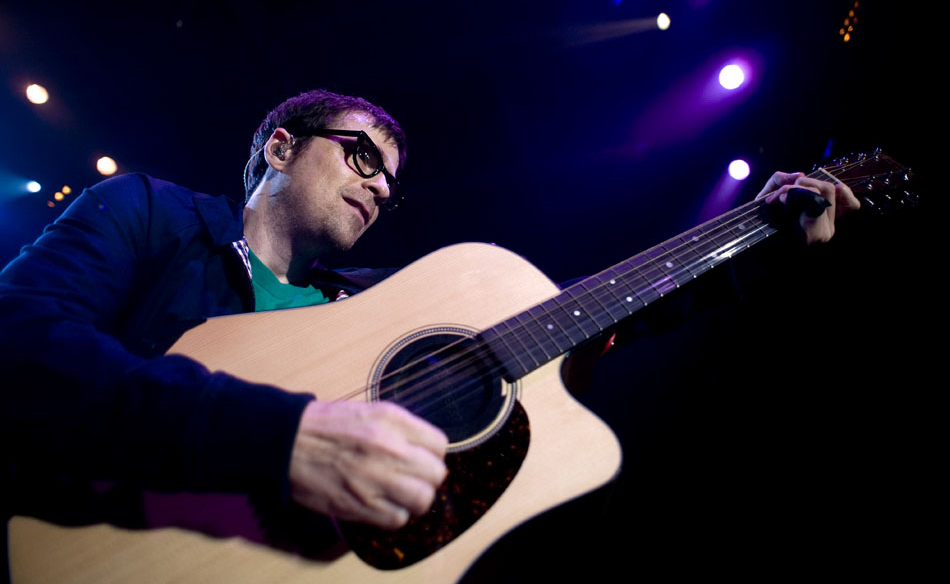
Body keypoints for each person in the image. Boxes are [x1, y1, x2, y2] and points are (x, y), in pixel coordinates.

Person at [0, 89, 859, 576]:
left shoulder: (368, 304)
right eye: (362, 157)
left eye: (390, 184)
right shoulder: (150, 214)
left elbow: (584, 311)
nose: (377, 189)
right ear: (280, 146)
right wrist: (283, 436)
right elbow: (20, 342)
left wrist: (755, 238)